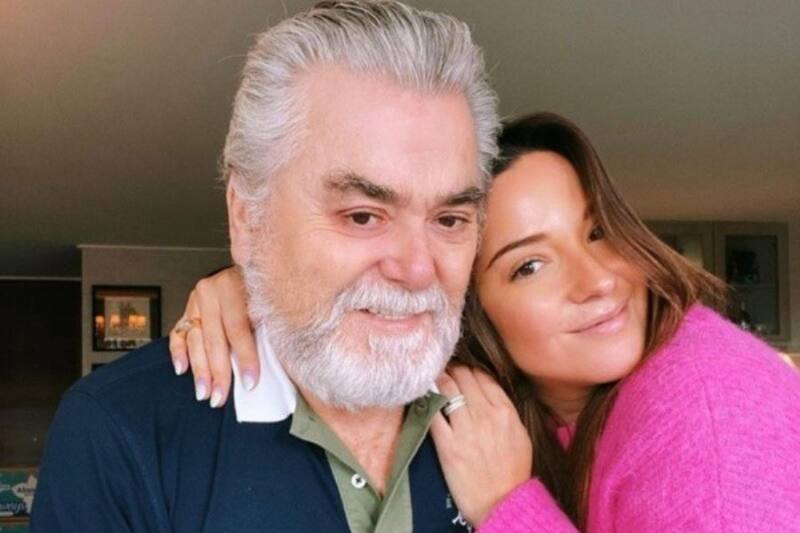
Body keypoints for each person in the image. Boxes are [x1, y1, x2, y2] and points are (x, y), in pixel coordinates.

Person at [173, 112, 800, 531]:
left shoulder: (710, 412)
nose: (599, 281)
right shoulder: (510, 404)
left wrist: (510, 508)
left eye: (598, 232)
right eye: (530, 266)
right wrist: (257, 288)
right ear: (469, 312)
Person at [31, 2, 501, 531]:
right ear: (247, 217)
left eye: (450, 219)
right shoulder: (122, 430)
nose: (417, 270)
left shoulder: (514, 415)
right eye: (363, 216)